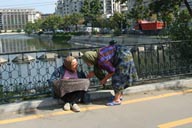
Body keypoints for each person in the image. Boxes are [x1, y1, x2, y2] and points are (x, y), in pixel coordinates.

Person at [81, 40, 138, 106]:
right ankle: (119, 96)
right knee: (121, 77)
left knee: (117, 79)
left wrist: (104, 79)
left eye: (87, 61)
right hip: (124, 52)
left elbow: (112, 71)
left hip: (123, 57)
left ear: (90, 59)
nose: (86, 63)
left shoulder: (101, 60)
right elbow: (98, 67)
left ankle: (116, 100)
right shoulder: (97, 53)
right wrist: (93, 73)